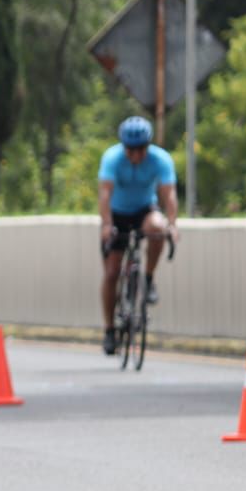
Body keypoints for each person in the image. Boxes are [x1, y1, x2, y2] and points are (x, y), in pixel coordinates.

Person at [97, 116, 179, 355]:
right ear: (124, 147)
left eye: (141, 149)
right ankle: (109, 329)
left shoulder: (160, 159)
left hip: (144, 210)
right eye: (131, 150)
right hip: (117, 214)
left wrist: (172, 224)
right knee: (112, 273)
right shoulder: (112, 158)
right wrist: (106, 225)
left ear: (148, 146)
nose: (136, 155)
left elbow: (169, 194)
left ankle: (149, 278)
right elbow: (104, 194)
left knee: (157, 228)